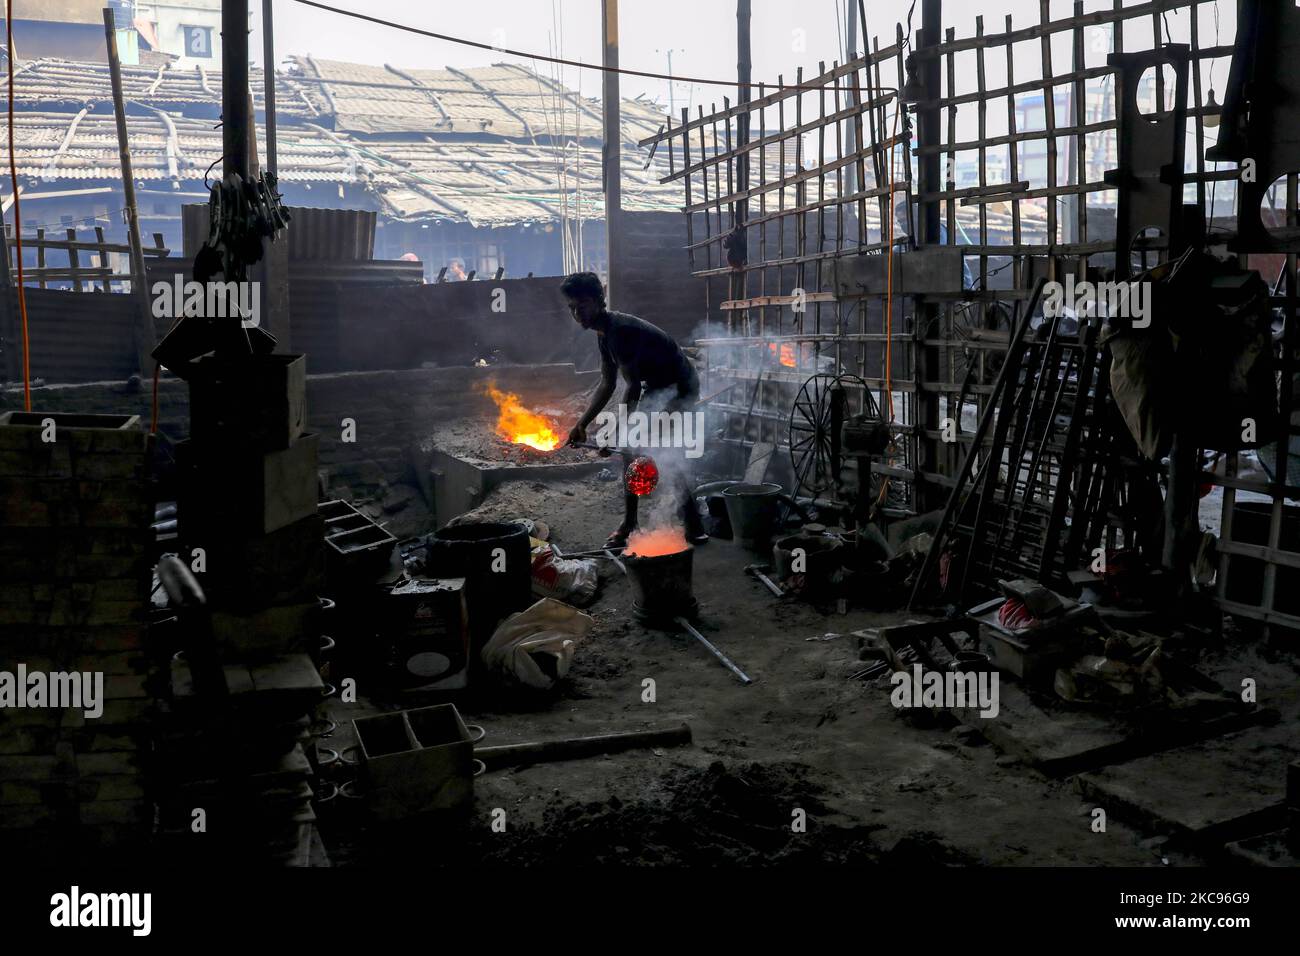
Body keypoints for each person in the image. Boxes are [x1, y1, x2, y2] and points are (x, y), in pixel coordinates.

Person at [561, 272, 708, 549]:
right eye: (571, 308)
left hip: (680, 385)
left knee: (662, 450)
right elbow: (607, 383)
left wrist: (616, 432)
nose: (576, 313)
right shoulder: (603, 333)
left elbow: (632, 389)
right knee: (636, 451)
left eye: (581, 306)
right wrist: (582, 423)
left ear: (597, 301)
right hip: (658, 385)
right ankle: (641, 524)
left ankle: (685, 524)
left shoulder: (620, 332)